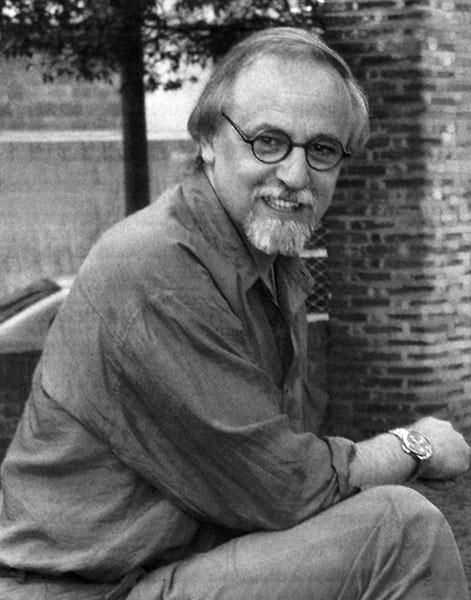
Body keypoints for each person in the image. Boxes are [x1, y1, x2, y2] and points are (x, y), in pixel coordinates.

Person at [0, 26, 469, 600]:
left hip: (171, 569)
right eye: (268, 141)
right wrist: (414, 445)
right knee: (400, 531)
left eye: (322, 150)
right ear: (207, 139)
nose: (295, 175)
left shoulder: (269, 262)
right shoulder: (157, 269)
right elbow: (284, 486)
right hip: (80, 590)